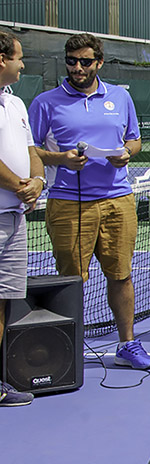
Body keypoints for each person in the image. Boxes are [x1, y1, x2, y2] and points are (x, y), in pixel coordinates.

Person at [28, 33, 150, 369]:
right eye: (72, 61)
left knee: (121, 275)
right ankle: (67, 347)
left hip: (118, 200)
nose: (78, 68)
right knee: (70, 281)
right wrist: (60, 159)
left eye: (85, 62)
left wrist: (127, 153)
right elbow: (32, 150)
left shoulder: (119, 97)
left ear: (99, 62)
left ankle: (128, 344)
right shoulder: (45, 102)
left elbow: (134, 139)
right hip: (68, 203)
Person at [0, 29, 44, 407]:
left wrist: (38, 181)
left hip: (14, 219)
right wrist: (20, 185)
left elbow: (31, 149)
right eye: (18, 56)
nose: (22, 63)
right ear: (2, 60)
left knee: (3, 302)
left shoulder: (14, 103)